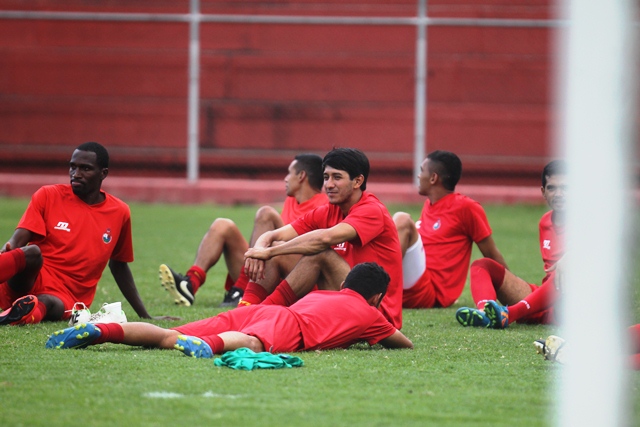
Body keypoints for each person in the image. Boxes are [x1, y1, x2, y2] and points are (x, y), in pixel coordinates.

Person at [46, 262, 414, 355]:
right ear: (377, 298)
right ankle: (211, 347)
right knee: (252, 344)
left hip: (264, 309)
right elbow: (403, 343)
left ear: (345, 284)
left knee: (172, 336)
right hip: (288, 327)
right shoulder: (371, 315)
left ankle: (101, 332)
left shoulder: (325, 295)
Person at [0, 142, 175, 325]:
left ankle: (13, 316)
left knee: (46, 301)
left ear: (103, 173)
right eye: (72, 167)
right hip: (26, 282)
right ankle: (18, 309)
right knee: (33, 252)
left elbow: (119, 265)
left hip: (66, 297)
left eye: (85, 169)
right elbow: (16, 241)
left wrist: (144, 315)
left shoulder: (119, 212)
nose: (76, 174)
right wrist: (6, 253)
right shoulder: (48, 195)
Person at [240, 148, 404, 329]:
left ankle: (260, 314)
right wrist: (261, 249)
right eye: (326, 177)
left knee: (319, 254)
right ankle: (245, 310)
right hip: (343, 295)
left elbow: (324, 239)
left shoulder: (372, 210)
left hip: (376, 312)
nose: (329, 184)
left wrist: (269, 252)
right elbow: (274, 234)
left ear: (358, 181)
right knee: (279, 250)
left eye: (337, 177)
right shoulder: (329, 210)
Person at [158, 153, 327, 308]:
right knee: (222, 225)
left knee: (265, 213)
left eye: (289, 173)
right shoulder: (291, 200)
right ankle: (190, 284)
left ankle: (242, 290)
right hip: (264, 271)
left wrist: (270, 248)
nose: (285, 178)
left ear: (301, 176)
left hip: (294, 277)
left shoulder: (324, 205)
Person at [456, 159, 566, 328]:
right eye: (552, 188)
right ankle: (486, 314)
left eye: (565, 188)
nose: (558, 193)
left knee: (567, 270)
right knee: (482, 266)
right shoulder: (545, 221)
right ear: (543, 192)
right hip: (542, 301)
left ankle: (509, 314)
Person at [392, 150, 507, 309]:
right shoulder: (429, 205)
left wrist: (514, 291)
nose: (418, 176)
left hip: (429, 292)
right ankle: (360, 289)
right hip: (411, 286)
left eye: (421, 171)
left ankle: (376, 290)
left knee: (402, 219)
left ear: (433, 178)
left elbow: (491, 253)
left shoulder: (466, 207)